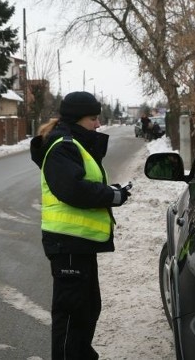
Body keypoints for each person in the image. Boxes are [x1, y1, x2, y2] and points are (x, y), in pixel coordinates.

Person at [30, 91, 133, 360]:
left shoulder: (74, 143)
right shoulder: (63, 146)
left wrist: (109, 190)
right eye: (93, 119)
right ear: (77, 120)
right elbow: (72, 189)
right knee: (72, 316)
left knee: (87, 310)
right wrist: (111, 195)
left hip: (78, 243)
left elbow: (81, 182)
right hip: (68, 242)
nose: (98, 125)